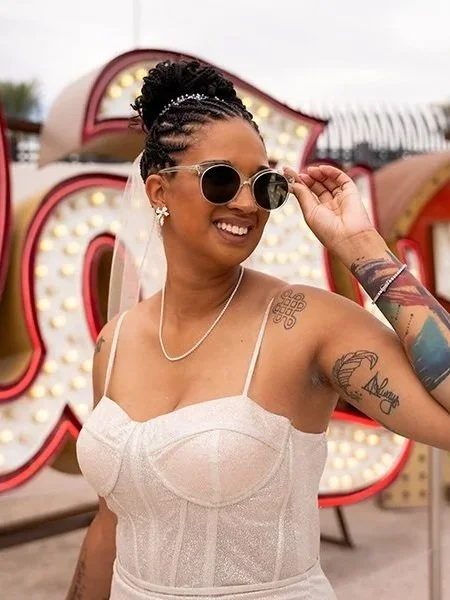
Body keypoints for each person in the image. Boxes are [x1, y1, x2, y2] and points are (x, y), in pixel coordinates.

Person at [70, 60, 450, 599]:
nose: (247, 203)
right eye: (221, 179)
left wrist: (362, 247)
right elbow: (110, 523)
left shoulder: (305, 323)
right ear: (158, 191)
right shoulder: (115, 341)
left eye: (265, 185)